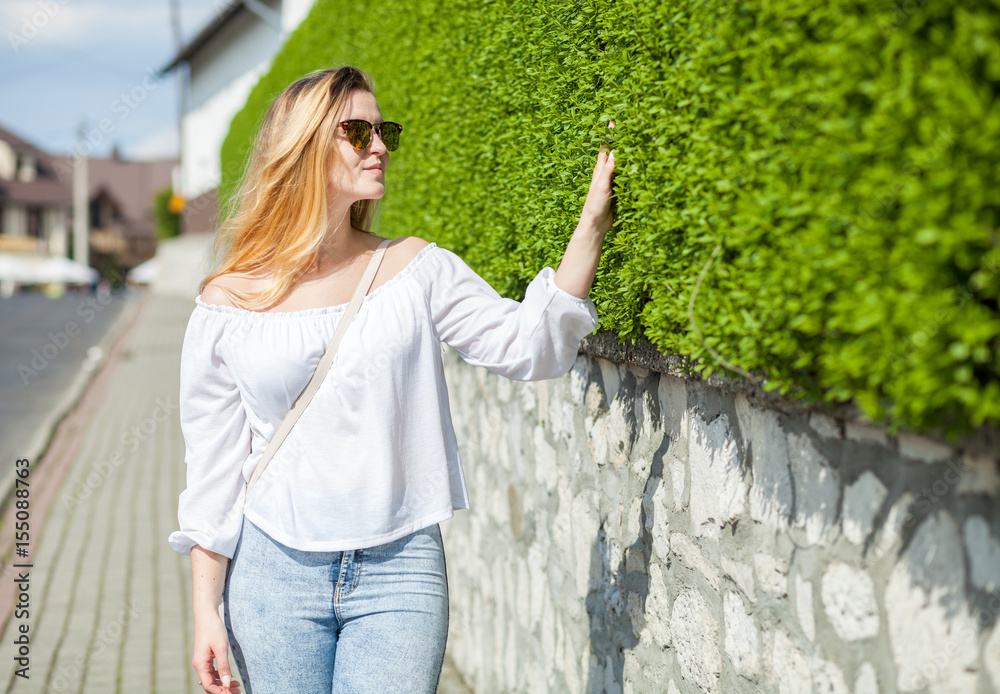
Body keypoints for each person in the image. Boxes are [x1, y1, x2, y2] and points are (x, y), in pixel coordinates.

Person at [168, 65, 615, 694]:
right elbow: (213, 472)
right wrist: (204, 613)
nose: (379, 146)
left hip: (399, 571)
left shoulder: (415, 270)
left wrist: (592, 223)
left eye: (385, 132)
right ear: (302, 147)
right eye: (358, 131)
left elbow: (530, 347)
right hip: (272, 575)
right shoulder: (229, 302)